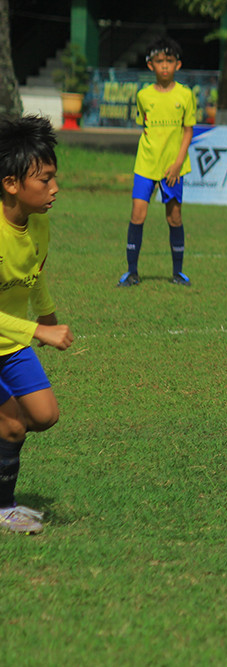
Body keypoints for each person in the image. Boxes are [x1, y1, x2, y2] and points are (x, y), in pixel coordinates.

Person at [0, 115, 76, 534]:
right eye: (44, 180)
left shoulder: (39, 223)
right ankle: (3, 507)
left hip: (7, 344)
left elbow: (36, 273)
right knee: (11, 424)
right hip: (15, 336)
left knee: (44, 415)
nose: (54, 189)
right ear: (12, 184)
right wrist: (38, 331)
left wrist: (47, 314)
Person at [118, 36, 196, 288]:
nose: (164, 66)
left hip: (173, 168)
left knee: (174, 218)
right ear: (150, 65)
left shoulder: (185, 95)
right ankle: (132, 272)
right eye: (159, 61)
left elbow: (187, 131)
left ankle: (178, 272)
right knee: (137, 215)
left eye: (169, 61)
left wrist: (177, 164)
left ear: (178, 65)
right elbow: (146, 128)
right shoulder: (143, 96)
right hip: (145, 165)